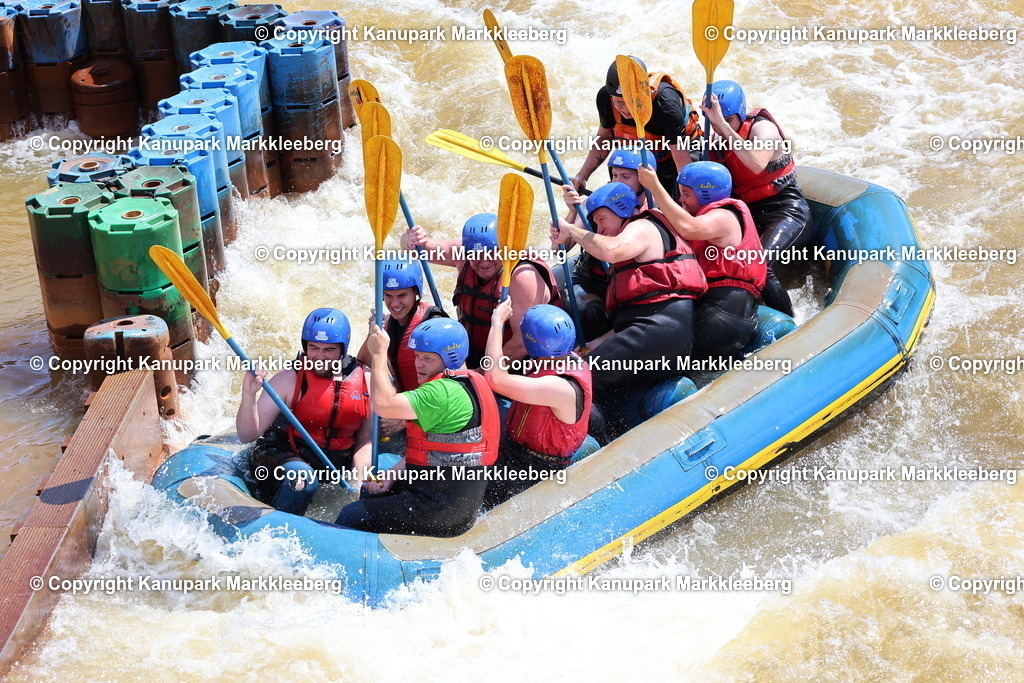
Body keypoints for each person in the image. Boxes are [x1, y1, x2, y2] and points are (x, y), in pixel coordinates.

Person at [551, 182, 707, 424]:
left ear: (621, 209)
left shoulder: (641, 227)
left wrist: (571, 229)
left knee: (578, 380)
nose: (600, 229)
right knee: (603, 384)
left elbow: (611, 252)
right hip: (659, 336)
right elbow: (638, 315)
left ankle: (584, 443)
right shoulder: (633, 238)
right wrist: (598, 343)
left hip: (657, 335)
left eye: (602, 220)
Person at [335, 318, 500, 537]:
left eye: (428, 358)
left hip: (438, 509)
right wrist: (393, 474)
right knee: (369, 490)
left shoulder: (442, 392)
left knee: (352, 515)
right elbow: (435, 449)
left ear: (451, 357)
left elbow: (384, 405)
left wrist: (378, 354)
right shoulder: (466, 382)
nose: (418, 364)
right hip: (447, 498)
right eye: (417, 356)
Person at [236, 308, 371, 515]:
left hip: (334, 463)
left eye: (329, 350)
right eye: (313, 348)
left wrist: (359, 477)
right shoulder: (289, 379)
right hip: (283, 454)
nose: (319, 357)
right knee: (303, 479)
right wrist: (248, 396)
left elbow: (365, 442)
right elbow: (247, 435)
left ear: (342, 350)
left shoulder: (365, 381)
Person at [701, 80, 813, 316]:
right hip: (749, 218)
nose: (720, 127)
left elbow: (755, 163)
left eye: (729, 120)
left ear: (740, 116)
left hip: (787, 212)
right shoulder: (710, 140)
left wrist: (721, 123)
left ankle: (791, 324)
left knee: (759, 263)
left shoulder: (763, 129)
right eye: (715, 120)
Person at [640, 161, 767, 359]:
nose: (681, 199)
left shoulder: (723, 216)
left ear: (706, 193)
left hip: (723, 312)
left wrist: (654, 187)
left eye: (686, 194)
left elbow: (688, 228)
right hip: (721, 311)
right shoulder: (706, 219)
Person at [402, 213, 561, 368]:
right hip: (476, 356)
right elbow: (415, 249)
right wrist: (410, 239)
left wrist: (479, 375)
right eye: (476, 254)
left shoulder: (523, 276)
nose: (484, 262)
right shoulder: (462, 253)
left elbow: (522, 343)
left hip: (520, 363)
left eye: (492, 252)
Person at [481, 301, 592, 508]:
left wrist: (496, 323)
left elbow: (495, 379)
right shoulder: (562, 358)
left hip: (537, 468)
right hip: (518, 450)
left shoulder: (558, 386)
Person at [571, 58, 702, 196]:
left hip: (676, 152)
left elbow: (681, 160)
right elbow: (604, 139)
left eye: (632, 101)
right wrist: (582, 176)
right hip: (639, 154)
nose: (626, 109)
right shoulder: (605, 98)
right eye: (619, 102)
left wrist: (687, 198)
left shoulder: (665, 105)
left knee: (682, 193)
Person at [563, 147, 649, 341]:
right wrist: (572, 211)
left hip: (628, 287)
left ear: (645, 180)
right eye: (614, 175)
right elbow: (562, 246)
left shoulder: (652, 212)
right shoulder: (595, 202)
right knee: (592, 313)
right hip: (591, 281)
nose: (618, 181)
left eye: (626, 176)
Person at [357, 257, 446, 393]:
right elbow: (363, 364)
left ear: (416, 292)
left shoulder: (434, 322)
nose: (394, 304)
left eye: (402, 295)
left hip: (430, 401)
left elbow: (453, 374)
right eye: (388, 296)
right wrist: (372, 333)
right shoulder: (387, 324)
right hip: (403, 401)